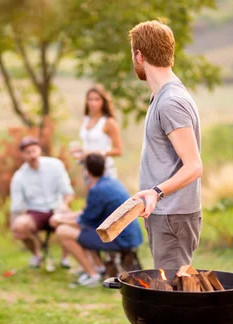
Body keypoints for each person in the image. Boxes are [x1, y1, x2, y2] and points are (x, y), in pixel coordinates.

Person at [128, 21, 233, 324]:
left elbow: (194, 165)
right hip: (165, 215)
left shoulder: (172, 101)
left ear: (139, 56)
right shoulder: (162, 97)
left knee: (179, 307)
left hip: (174, 216)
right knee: (176, 301)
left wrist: (157, 191)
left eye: (133, 55)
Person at [50, 153, 142, 287]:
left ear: (86, 171)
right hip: (127, 235)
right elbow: (86, 214)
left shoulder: (97, 190)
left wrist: (59, 220)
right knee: (74, 229)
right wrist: (64, 217)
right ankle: (99, 268)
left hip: (119, 239)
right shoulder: (111, 182)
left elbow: (83, 222)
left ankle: (92, 274)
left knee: (63, 231)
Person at [10, 137, 75, 268]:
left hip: (57, 208)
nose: (32, 155)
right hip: (35, 212)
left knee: (70, 220)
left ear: (39, 150)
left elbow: (68, 192)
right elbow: (16, 206)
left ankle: (65, 258)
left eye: (34, 150)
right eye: (28, 152)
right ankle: (37, 255)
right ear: (23, 155)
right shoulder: (19, 176)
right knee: (18, 226)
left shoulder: (55, 165)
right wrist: (15, 224)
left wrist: (63, 206)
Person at [70, 84, 123, 179]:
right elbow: (89, 144)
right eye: (90, 99)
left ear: (103, 101)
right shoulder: (85, 119)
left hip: (104, 171)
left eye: (97, 99)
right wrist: (80, 150)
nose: (93, 103)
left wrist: (94, 153)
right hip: (88, 170)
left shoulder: (109, 122)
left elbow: (118, 151)